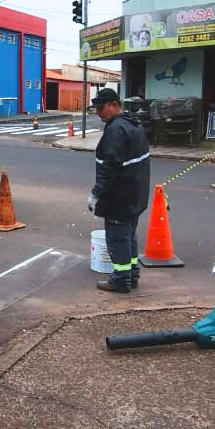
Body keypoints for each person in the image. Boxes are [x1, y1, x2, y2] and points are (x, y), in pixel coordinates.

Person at [86, 88, 151, 293]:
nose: (98, 113)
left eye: (101, 108)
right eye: (96, 109)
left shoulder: (116, 130)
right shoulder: (134, 124)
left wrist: (96, 194)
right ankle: (131, 275)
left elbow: (110, 166)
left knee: (117, 238)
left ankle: (121, 280)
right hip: (135, 195)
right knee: (129, 236)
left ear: (114, 105)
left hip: (120, 198)